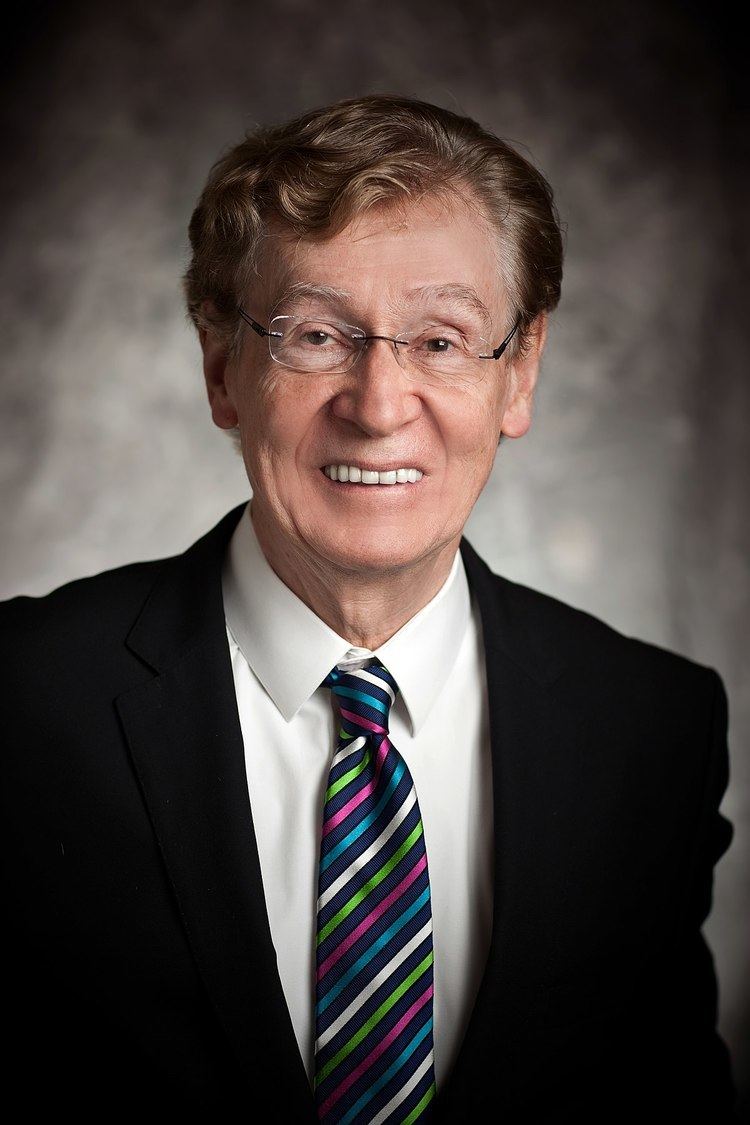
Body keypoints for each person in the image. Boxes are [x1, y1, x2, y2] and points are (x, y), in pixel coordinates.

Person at [2, 94, 736, 1122]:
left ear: (519, 374)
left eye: (442, 340)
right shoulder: (22, 703)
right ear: (223, 370)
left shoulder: (652, 731)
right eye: (314, 335)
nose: (379, 402)